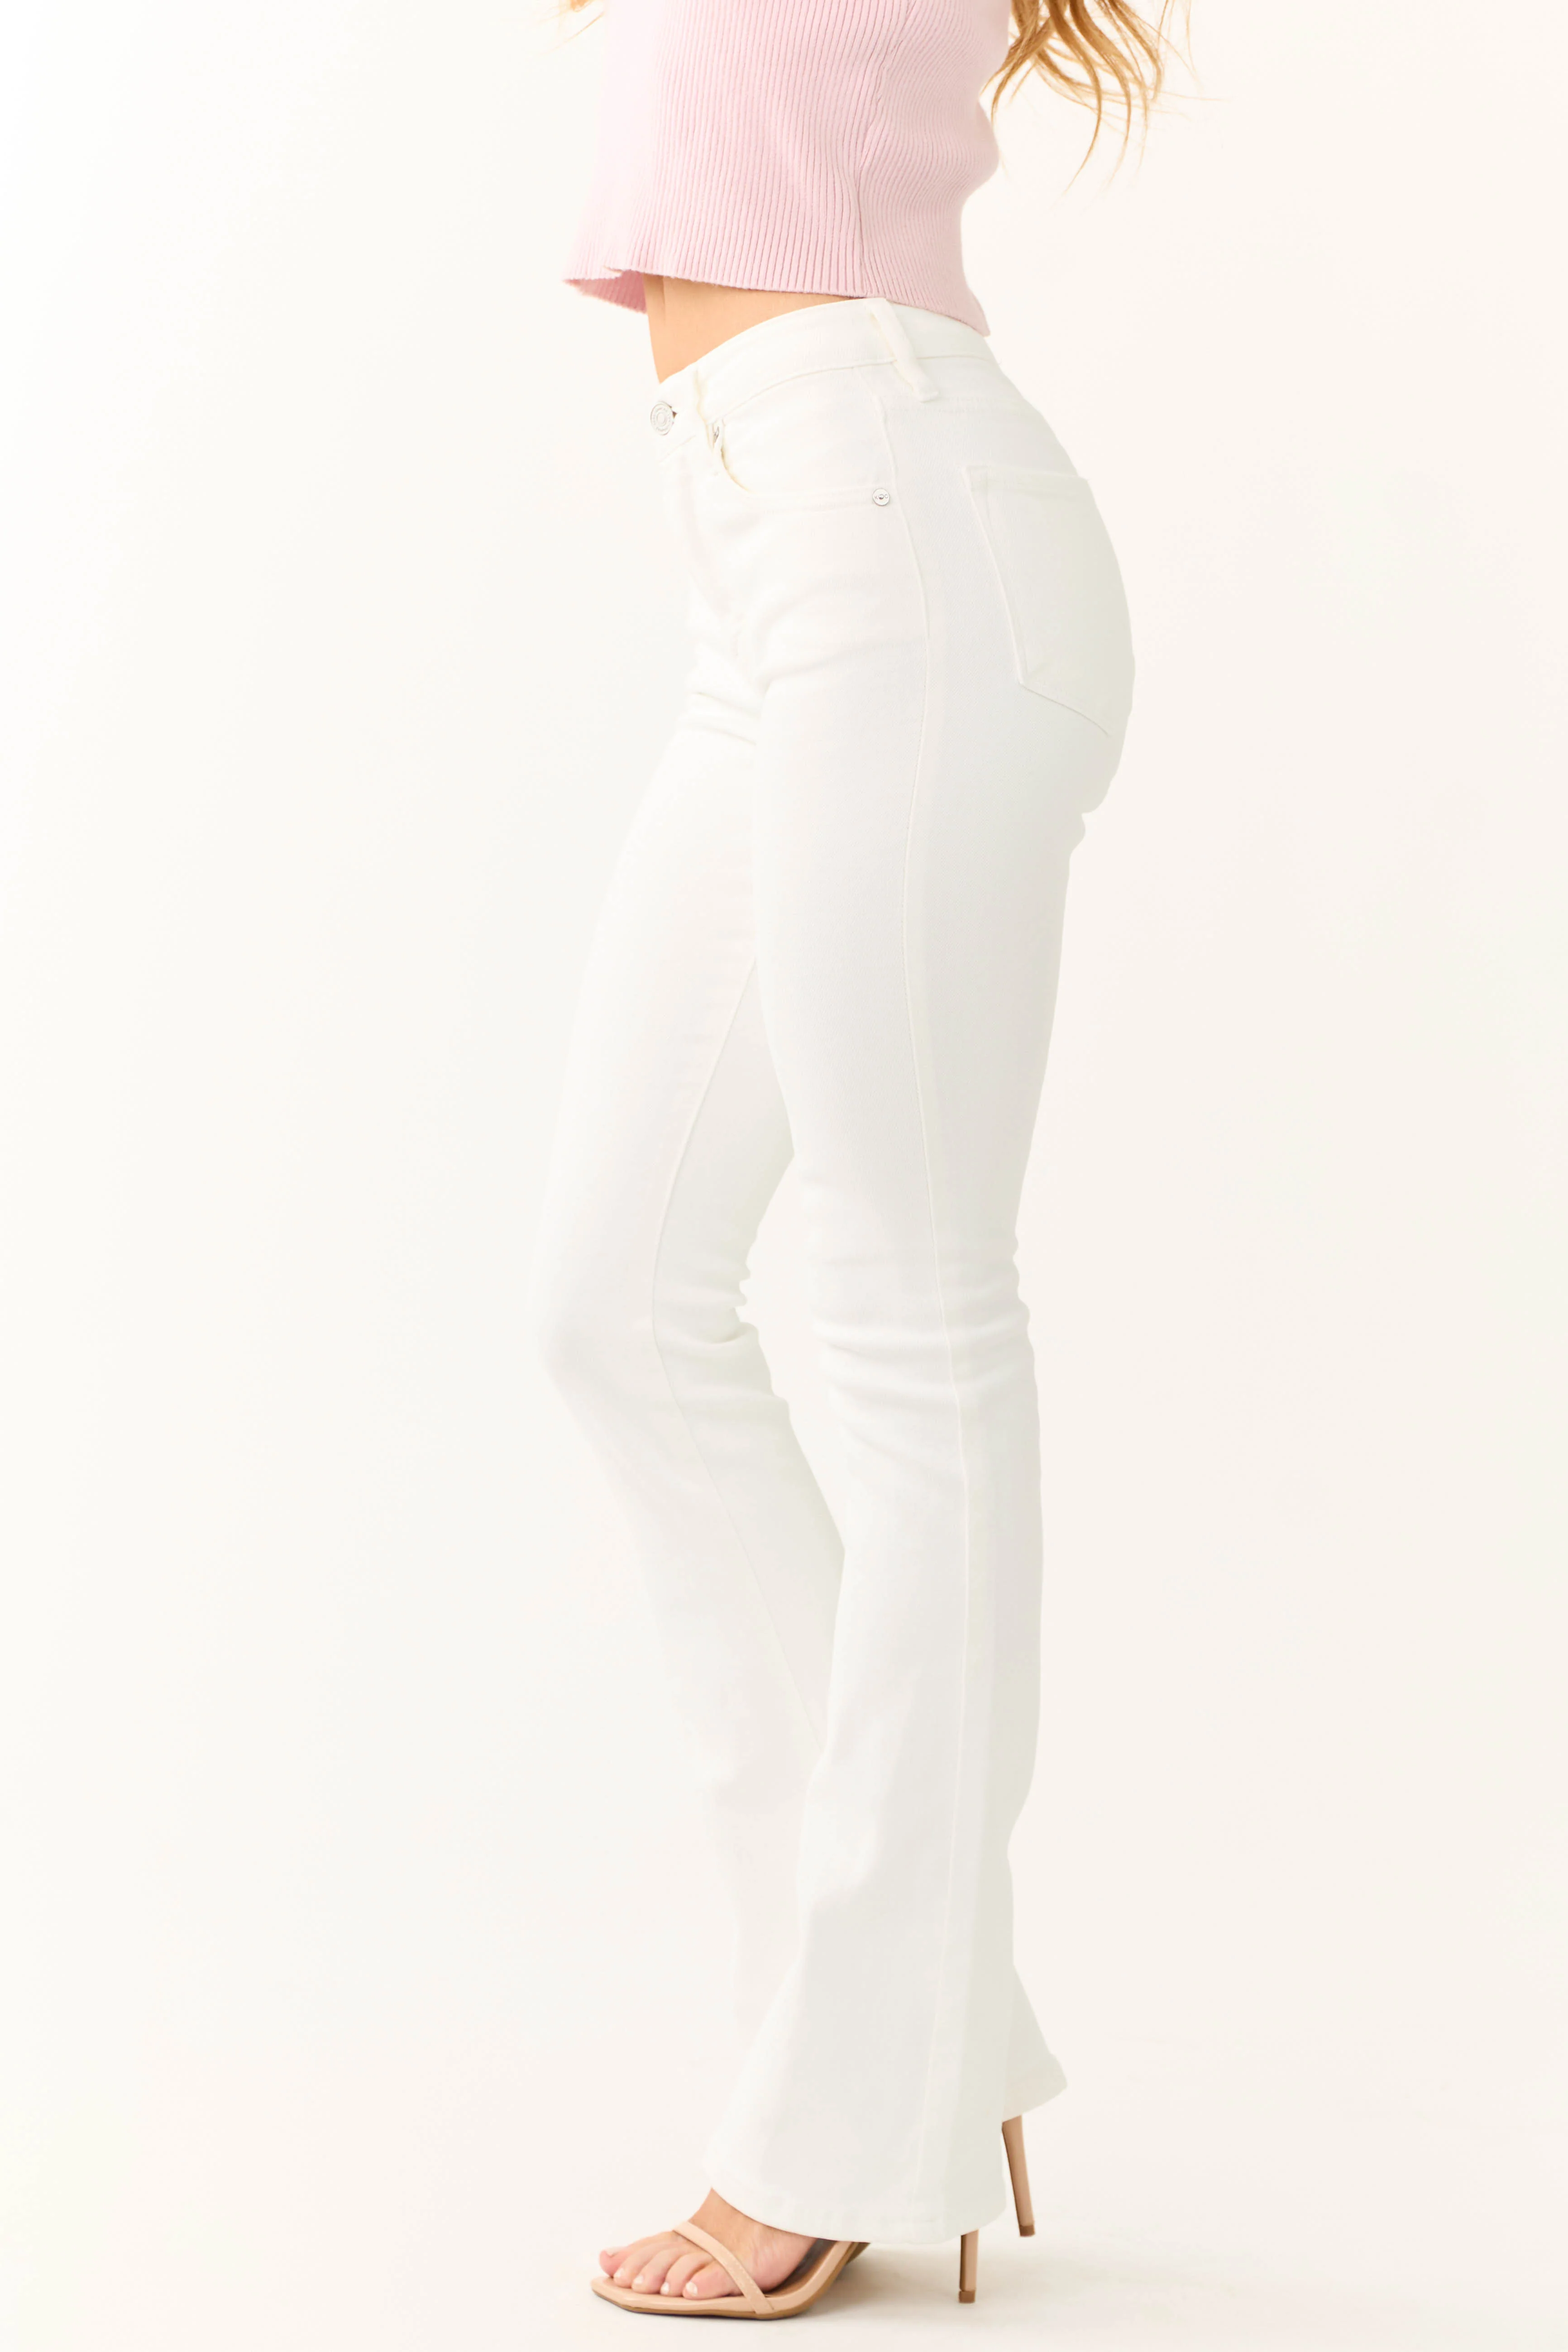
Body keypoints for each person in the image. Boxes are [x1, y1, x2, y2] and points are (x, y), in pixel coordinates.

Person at [530, 0, 1179, 2319]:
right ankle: (920, 2021)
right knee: (612, 1308)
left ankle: (849, 2105)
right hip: (770, 546)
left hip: (903, 527)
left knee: (910, 1307)